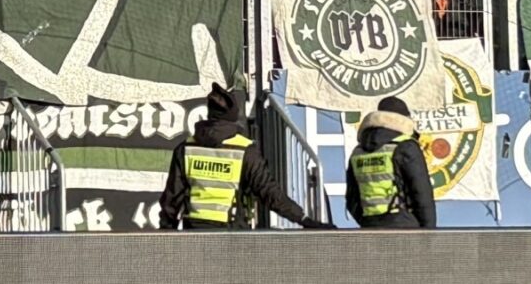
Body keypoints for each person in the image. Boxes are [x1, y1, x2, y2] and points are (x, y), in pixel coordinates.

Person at [159, 83, 329, 230]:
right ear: (233, 116)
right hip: (232, 232)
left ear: (210, 114)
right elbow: (269, 192)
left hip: (194, 231)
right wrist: (303, 219)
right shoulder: (244, 149)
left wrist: (166, 232)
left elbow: (172, 198)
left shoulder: (187, 147)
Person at [345, 95, 437, 229]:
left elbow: (352, 199)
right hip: (405, 227)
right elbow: (421, 192)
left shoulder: (358, 152)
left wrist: (368, 222)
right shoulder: (405, 146)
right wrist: (429, 232)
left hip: (369, 227)